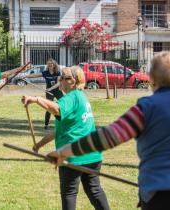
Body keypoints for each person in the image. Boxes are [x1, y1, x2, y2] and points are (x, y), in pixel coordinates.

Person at [48, 52, 170, 210]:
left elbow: (107, 137)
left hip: (158, 195)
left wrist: (64, 152)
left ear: (151, 79)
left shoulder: (146, 108)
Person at [22, 66, 110, 210]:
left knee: (69, 193)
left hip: (73, 157)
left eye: (64, 77)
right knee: (95, 191)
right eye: (60, 77)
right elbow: (60, 129)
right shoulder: (81, 97)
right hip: (92, 155)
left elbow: (57, 109)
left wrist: (36, 99)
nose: (60, 80)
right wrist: (39, 144)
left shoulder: (71, 97)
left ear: (73, 81)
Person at [22, 58, 63, 130]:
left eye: (52, 63)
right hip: (49, 92)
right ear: (47, 65)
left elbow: (58, 83)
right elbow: (36, 75)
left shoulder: (58, 72)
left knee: (63, 106)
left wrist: (50, 89)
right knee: (49, 107)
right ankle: (46, 125)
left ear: (54, 65)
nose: (50, 65)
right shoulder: (45, 72)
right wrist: (26, 76)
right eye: (49, 63)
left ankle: (64, 122)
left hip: (57, 91)